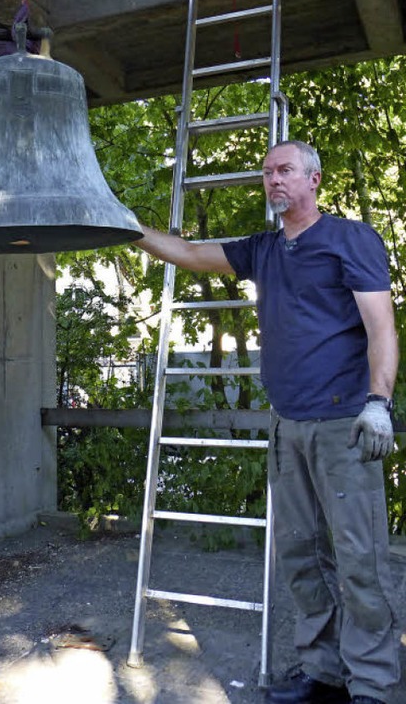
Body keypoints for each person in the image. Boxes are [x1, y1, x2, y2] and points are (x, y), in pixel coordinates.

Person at [135, 140, 400, 704]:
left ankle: (373, 686)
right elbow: (187, 253)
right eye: (267, 173)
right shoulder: (264, 249)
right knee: (301, 557)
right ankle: (324, 674)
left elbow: (381, 330)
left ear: (315, 179)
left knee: (359, 560)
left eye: (285, 170)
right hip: (286, 426)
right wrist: (124, 229)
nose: (273, 180)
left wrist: (379, 402)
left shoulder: (350, 239)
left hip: (344, 424)